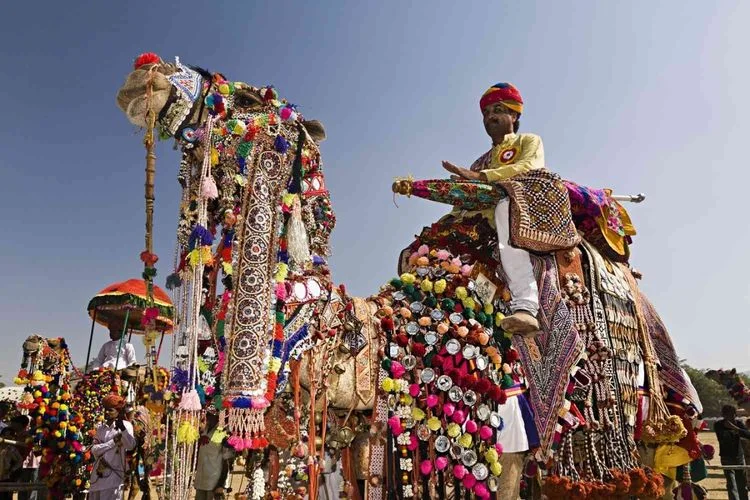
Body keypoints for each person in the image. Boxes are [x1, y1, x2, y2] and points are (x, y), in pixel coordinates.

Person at [442, 82, 542, 334]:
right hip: (480, 227)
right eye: (486, 113)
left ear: (514, 114)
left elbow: (529, 167)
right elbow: (462, 205)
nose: (490, 117)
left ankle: (525, 306)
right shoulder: (479, 161)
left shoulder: (528, 141)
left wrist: (482, 178)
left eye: (497, 110)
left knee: (503, 206)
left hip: (520, 210)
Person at [88, 394, 136, 500]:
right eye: (105, 409)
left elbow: (131, 446)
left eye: (110, 410)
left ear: (118, 411)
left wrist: (123, 430)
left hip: (114, 478)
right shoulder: (101, 428)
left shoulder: (126, 426)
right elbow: (94, 450)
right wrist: (113, 442)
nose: (106, 412)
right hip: (97, 478)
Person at [194, 409, 233, 500]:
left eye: (212, 415)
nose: (209, 417)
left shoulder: (224, 431)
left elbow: (227, 461)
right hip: (201, 480)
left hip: (214, 482)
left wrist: (221, 484)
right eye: (208, 414)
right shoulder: (204, 428)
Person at [714, 404, 750, 500]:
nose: (729, 417)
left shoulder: (738, 424)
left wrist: (735, 428)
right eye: (727, 415)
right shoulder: (718, 425)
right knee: (731, 484)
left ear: (735, 415)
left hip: (739, 456)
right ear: (723, 415)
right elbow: (722, 438)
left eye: (732, 415)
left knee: (742, 483)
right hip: (726, 457)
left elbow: (748, 435)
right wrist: (731, 430)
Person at [0, 427, 23, 500]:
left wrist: (12, 470)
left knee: (6, 497)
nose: (7, 438)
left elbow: (19, 461)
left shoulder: (11, 449)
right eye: (5, 436)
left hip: (5, 477)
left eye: (9, 437)